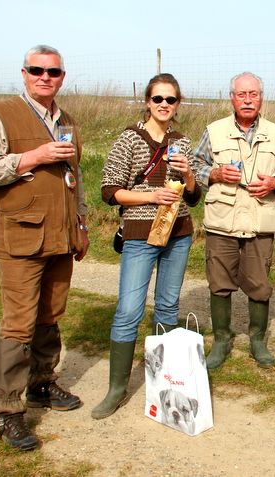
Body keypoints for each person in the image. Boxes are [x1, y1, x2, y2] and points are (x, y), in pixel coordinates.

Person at [0, 45, 89, 451]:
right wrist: (32, 157)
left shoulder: (67, 120)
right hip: (21, 236)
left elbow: (76, 178)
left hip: (60, 235)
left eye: (53, 72)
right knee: (19, 322)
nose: (45, 77)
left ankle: (41, 383)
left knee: (51, 313)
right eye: (37, 70)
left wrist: (82, 226)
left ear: (62, 76)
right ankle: (7, 409)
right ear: (24, 73)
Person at [93, 73, 201, 418]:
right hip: (140, 235)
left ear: (178, 103)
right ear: (147, 102)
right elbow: (110, 191)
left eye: (171, 100)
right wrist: (151, 196)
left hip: (179, 233)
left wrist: (187, 175)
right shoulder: (129, 139)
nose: (164, 106)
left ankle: (164, 381)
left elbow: (195, 196)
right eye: (158, 99)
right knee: (128, 311)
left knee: (168, 307)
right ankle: (116, 389)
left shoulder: (182, 141)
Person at [194, 72, 275, 369]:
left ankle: (257, 341)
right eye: (242, 94)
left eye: (253, 94)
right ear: (232, 98)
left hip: (259, 220)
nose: (247, 99)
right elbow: (195, 166)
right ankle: (221, 340)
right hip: (222, 219)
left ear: (261, 98)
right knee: (219, 282)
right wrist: (215, 174)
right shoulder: (214, 130)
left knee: (259, 284)